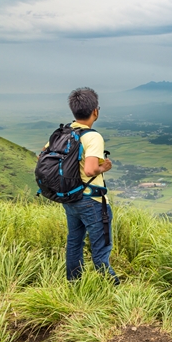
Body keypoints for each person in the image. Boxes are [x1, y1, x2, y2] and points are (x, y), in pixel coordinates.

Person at [50, 87, 119, 284]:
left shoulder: (62, 133)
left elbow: (43, 156)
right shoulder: (92, 136)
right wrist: (103, 167)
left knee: (74, 243)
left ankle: (75, 285)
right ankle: (113, 289)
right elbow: (90, 170)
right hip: (92, 200)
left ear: (74, 110)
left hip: (70, 198)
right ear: (95, 111)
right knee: (101, 250)